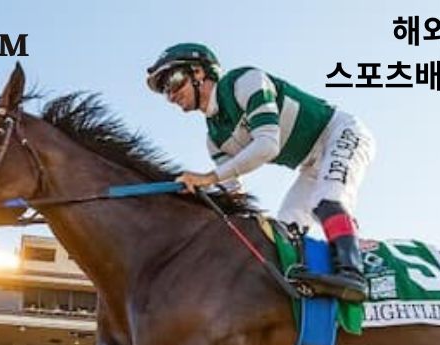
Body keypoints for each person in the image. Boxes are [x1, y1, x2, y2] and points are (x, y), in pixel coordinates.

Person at [146, 43, 376, 302]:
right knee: (285, 230)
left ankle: (352, 273)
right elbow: (234, 193)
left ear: (199, 72)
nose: (171, 94)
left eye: (174, 81)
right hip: (309, 164)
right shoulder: (214, 139)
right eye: (165, 90)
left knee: (327, 200)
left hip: (340, 132)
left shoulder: (244, 81)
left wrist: (208, 178)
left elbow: (267, 144)